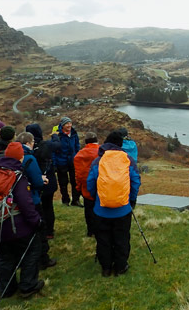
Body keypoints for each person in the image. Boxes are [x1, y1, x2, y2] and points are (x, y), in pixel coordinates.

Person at [0, 141, 45, 299]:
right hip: (15, 227)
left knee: (4, 257)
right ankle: (28, 285)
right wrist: (37, 222)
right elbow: (26, 206)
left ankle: (6, 289)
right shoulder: (17, 177)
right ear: (20, 157)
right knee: (31, 251)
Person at [87, 131, 140, 277]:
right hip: (122, 209)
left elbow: (90, 182)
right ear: (120, 145)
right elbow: (135, 180)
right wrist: (132, 199)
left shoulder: (98, 161)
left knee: (103, 238)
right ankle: (121, 266)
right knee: (121, 237)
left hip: (101, 208)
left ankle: (106, 267)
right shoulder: (127, 159)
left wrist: (95, 198)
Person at [16, 131, 57, 270]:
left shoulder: (12, 155)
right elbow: (37, 181)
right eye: (32, 142)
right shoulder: (29, 158)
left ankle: (26, 257)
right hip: (31, 198)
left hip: (17, 200)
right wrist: (42, 180)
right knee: (39, 228)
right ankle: (43, 260)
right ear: (28, 143)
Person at [26, 123, 60, 239]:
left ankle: (39, 230)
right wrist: (55, 135)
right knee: (48, 206)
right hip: (48, 181)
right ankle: (49, 232)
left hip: (32, 183)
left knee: (36, 207)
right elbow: (57, 145)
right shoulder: (46, 145)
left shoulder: (26, 148)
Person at [74, 132, 100, 237]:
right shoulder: (102, 152)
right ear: (96, 140)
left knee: (88, 209)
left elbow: (78, 174)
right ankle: (100, 229)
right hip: (100, 185)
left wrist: (78, 187)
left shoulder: (79, 155)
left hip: (85, 185)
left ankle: (90, 231)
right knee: (100, 208)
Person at [52, 117, 81, 207]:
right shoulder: (57, 135)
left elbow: (77, 146)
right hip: (61, 162)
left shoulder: (74, 133)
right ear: (62, 125)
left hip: (72, 161)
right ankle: (65, 200)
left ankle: (75, 200)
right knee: (63, 182)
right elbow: (53, 150)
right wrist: (54, 164)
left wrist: (77, 157)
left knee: (75, 181)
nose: (69, 125)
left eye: (70, 123)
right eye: (67, 124)